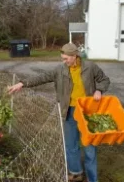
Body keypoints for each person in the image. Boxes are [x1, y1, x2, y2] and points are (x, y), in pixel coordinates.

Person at [7, 43, 110, 182]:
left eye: (66, 58)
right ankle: (76, 172)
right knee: (71, 145)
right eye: (62, 58)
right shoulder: (59, 70)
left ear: (74, 56)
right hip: (69, 111)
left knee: (90, 147)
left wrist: (99, 90)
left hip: (87, 111)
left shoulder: (90, 67)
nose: (64, 61)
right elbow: (41, 77)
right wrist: (22, 83)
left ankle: (92, 178)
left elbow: (104, 80)